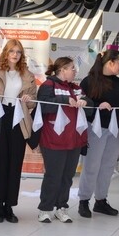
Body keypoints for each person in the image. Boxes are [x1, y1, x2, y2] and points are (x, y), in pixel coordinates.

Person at [0, 39, 37, 224]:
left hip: (19, 118)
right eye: (12, 51)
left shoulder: (28, 75)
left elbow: (33, 102)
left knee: (15, 164)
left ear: (22, 55)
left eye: (18, 52)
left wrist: (29, 99)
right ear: (6, 53)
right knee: (1, 162)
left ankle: (9, 206)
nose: (15, 55)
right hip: (0, 117)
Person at [78, 49, 119, 218]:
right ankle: (84, 201)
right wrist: (97, 105)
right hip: (96, 128)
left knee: (108, 166)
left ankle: (101, 200)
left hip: (115, 129)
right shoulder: (89, 81)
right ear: (110, 63)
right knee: (91, 165)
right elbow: (83, 103)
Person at [36, 57, 90, 223]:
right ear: (62, 69)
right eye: (72, 68)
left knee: (67, 176)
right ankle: (45, 209)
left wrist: (85, 101)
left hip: (74, 140)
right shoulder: (48, 85)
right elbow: (43, 105)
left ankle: (61, 207)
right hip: (53, 139)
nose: (74, 71)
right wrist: (64, 100)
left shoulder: (76, 87)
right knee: (53, 175)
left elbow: (89, 102)